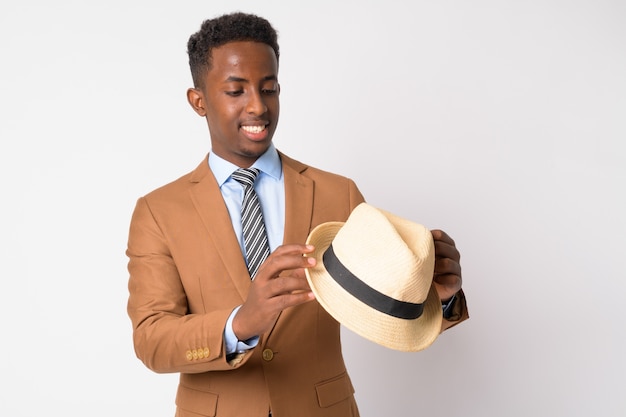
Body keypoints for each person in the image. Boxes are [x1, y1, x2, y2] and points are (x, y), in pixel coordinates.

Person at [126, 12, 469, 417]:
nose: (258, 106)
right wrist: (240, 322)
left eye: (268, 89)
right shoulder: (159, 211)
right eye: (236, 91)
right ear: (198, 101)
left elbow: (384, 314)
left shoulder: (337, 193)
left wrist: (439, 301)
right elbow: (151, 341)